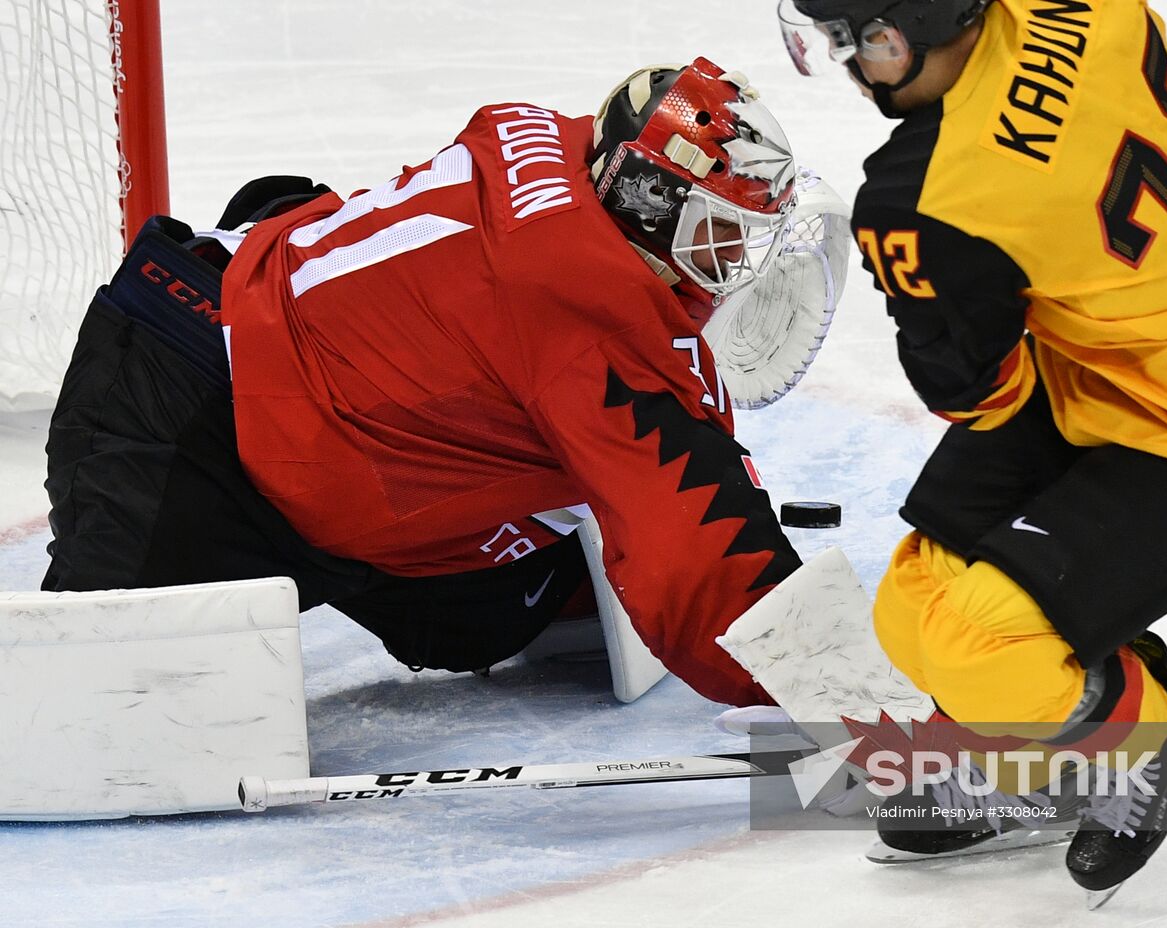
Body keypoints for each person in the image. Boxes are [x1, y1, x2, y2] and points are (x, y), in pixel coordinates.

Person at [777, 0, 1167, 900]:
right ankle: (1038, 758)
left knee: (981, 649)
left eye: (857, 39)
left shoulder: (924, 194)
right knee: (913, 610)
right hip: (1157, 351)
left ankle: (1155, 732)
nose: (850, 64)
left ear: (906, 33)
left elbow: (977, 394)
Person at [42, 56, 850, 709]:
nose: (735, 267)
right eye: (720, 237)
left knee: (480, 622)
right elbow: (709, 567)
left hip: (331, 406)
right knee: (89, 705)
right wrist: (882, 727)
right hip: (184, 403)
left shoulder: (570, 147)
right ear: (649, 206)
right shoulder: (589, 315)